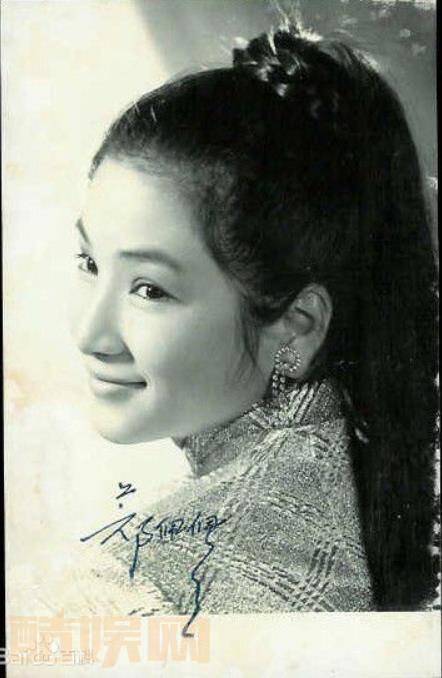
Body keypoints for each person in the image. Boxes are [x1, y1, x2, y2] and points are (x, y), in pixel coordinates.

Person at [70, 23, 438, 618]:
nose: (90, 335)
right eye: (90, 263)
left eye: (151, 289)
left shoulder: (150, 586)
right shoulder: (340, 478)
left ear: (297, 323)